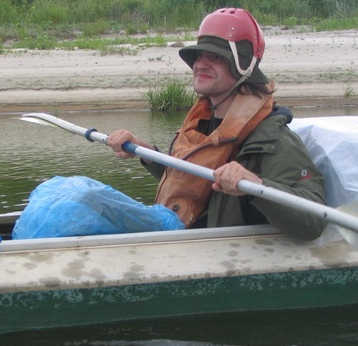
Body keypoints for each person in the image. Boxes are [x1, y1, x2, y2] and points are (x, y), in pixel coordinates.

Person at [107, 8, 327, 241]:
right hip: (193, 249)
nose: (201, 64)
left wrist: (256, 184)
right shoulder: (202, 125)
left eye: (217, 57)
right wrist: (148, 153)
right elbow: (194, 183)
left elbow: (315, 222)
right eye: (199, 56)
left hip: (233, 261)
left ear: (243, 66)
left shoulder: (274, 140)